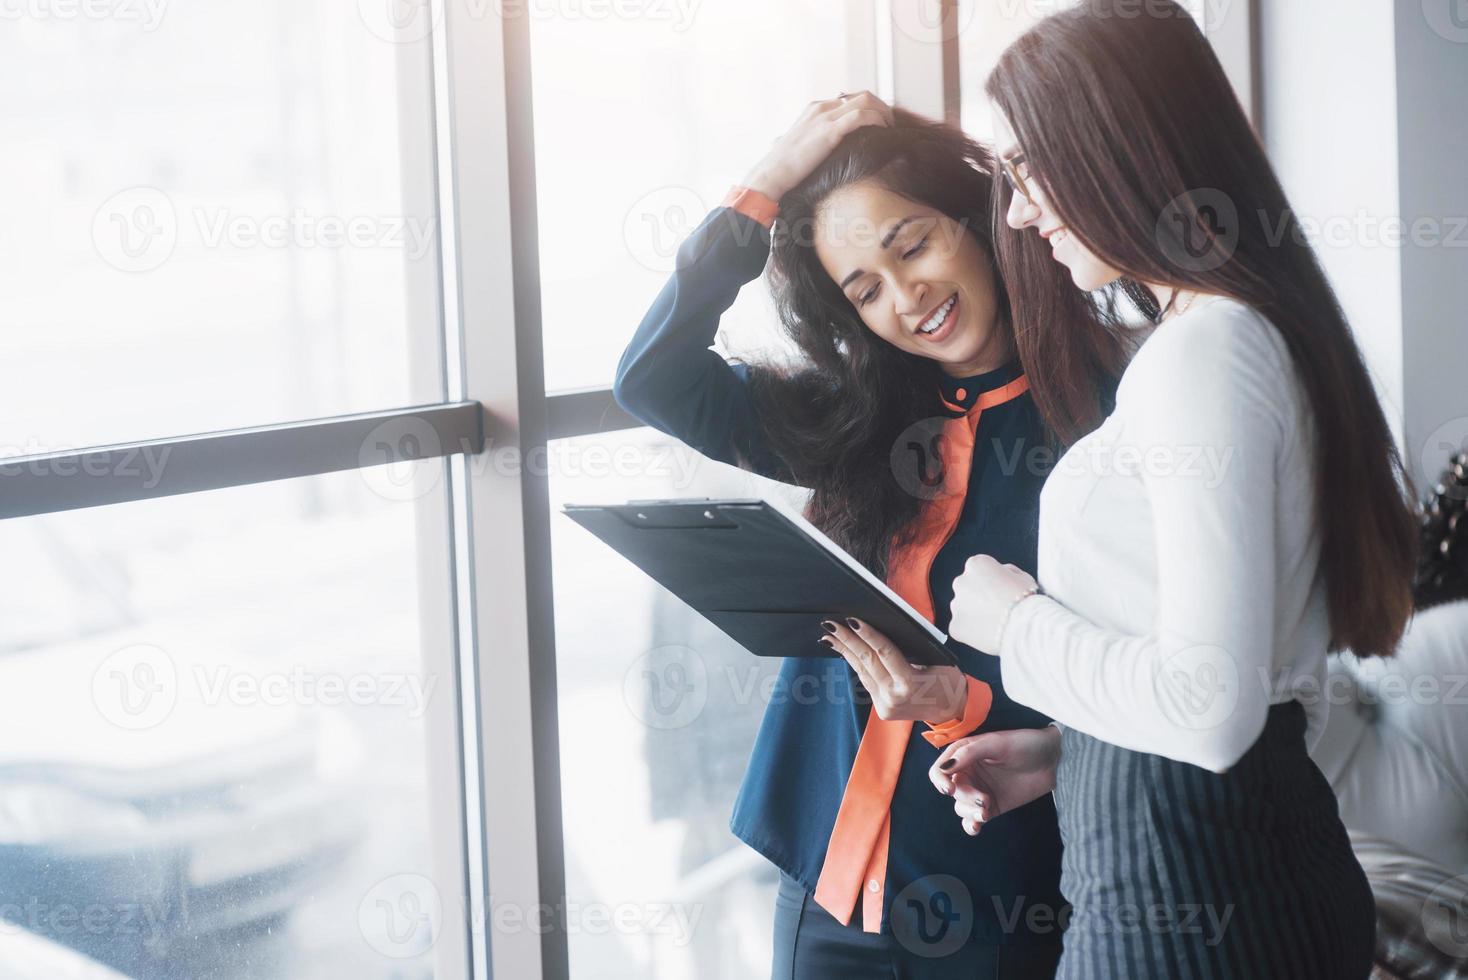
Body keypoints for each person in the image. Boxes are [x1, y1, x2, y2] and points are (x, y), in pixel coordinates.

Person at [934, 3, 1419, 978]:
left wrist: (1014, 620)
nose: (1020, 212)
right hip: (1209, 875)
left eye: (1028, 169)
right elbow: (1249, 680)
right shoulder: (1218, 341)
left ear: (1112, 146)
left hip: (1193, 898)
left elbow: (1213, 709)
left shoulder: (1205, 351)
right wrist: (1061, 754)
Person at [615, 93, 1126, 978]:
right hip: (827, 878)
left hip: (1000, 890)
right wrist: (766, 187)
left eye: (913, 245)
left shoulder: (1110, 412)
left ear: (975, 219)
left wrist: (965, 701)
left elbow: (1132, 671)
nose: (908, 296)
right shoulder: (853, 420)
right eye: (865, 289)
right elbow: (652, 378)